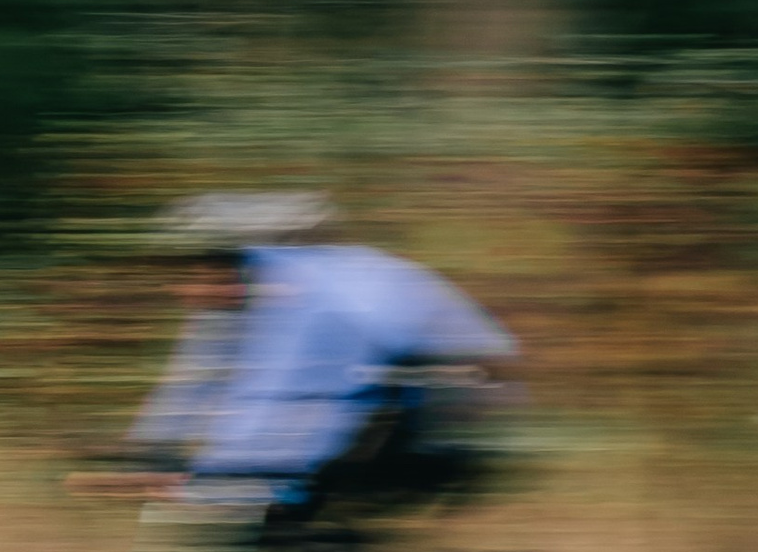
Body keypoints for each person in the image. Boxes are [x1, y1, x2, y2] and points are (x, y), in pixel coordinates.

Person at [122, 188, 515, 522]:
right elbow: (197, 376)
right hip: (395, 397)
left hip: (453, 406)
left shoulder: (316, 298)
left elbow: (293, 397)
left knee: (284, 498)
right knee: (279, 505)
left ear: (242, 259)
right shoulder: (244, 292)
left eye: (198, 268)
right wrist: (145, 452)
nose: (186, 288)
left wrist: (217, 482)